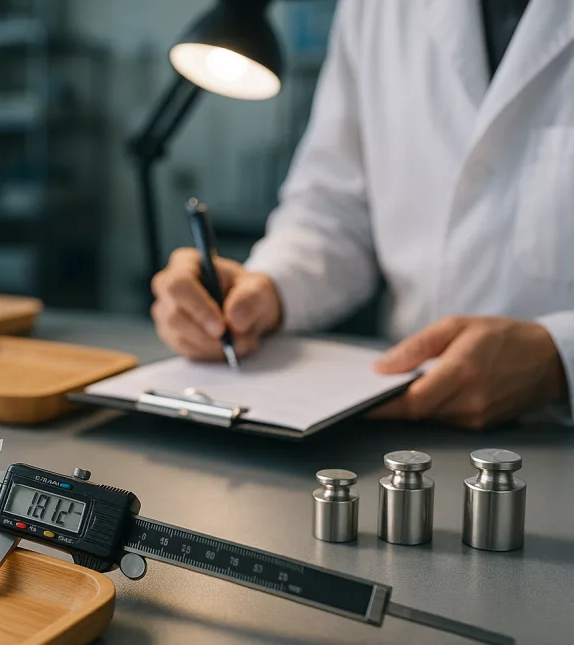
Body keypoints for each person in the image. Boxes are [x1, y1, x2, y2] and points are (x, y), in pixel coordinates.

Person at [150, 0, 573, 430]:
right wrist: (265, 290)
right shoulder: (374, 8)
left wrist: (559, 358)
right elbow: (332, 213)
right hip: (409, 415)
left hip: (556, 428)